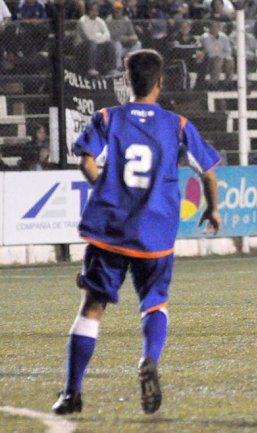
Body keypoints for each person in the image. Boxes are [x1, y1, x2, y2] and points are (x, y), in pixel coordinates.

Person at [51, 49, 222, 415]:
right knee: (155, 301)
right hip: (155, 232)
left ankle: (71, 393)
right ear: (160, 84)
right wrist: (213, 208)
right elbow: (207, 172)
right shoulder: (177, 125)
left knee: (92, 307)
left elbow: (85, 160)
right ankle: (148, 357)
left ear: (126, 82)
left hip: (110, 230)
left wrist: (105, 188)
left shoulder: (107, 118)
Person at [78, 1, 115, 76]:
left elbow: (107, 35)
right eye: (92, 10)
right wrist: (99, 36)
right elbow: (89, 37)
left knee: (109, 43)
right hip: (83, 47)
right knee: (92, 43)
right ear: (88, 11)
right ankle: (91, 69)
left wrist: (97, 37)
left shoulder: (100, 21)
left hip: (97, 46)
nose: (95, 12)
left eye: (96, 10)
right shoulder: (82, 21)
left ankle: (112, 69)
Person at [106, 1, 141, 71]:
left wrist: (134, 38)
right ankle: (118, 67)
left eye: (119, 9)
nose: (118, 11)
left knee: (138, 44)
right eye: (116, 9)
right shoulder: (109, 20)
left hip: (126, 46)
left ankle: (132, 65)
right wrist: (128, 38)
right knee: (117, 44)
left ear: (123, 10)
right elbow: (115, 36)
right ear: (113, 10)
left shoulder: (126, 20)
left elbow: (132, 34)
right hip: (114, 47)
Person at [201, 20, 234, 89]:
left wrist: (220, 54)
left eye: (217, 27)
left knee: (229, 60)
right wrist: (220, 53)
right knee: (218, 60)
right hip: (209, 59)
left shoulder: (223, 37)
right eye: (213, 27)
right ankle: (213, 85)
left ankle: (227, 84)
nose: (215, 29)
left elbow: (228, 51)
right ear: (210, 28)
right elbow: (209, 52)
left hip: (222, 58)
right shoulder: (205, 37)